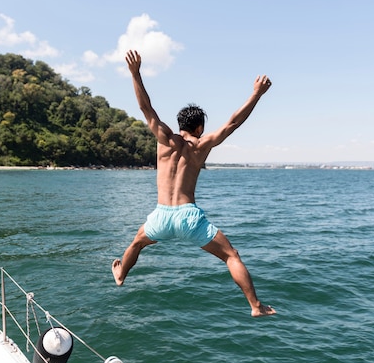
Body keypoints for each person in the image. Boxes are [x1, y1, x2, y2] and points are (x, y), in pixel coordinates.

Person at [112, 50, 275, 317]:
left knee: (136, 244)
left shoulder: (165, 138)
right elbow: (233, 122)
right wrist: (256, 93)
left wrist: (135, 73)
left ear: (179, 124)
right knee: (231, 256)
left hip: (162, 215)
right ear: (199, 127)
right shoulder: (201, 146)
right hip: (189, 217)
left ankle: (120, 275)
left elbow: (146, 109)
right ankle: (255, 306)